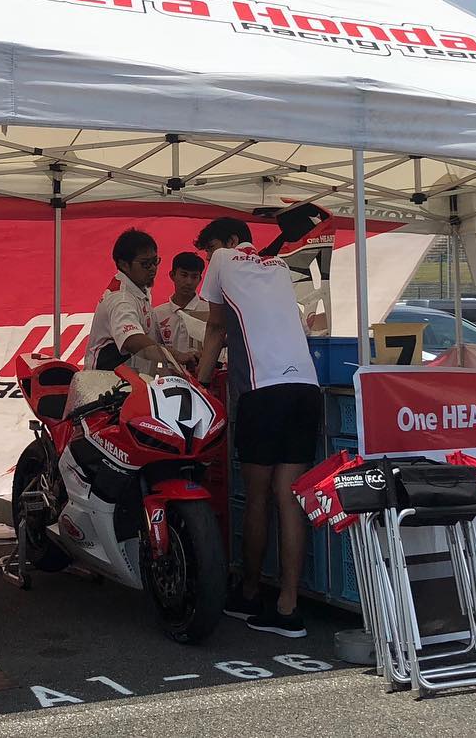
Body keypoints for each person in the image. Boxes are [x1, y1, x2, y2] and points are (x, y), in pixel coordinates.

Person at [194, 216, 320, 639]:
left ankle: (249, 593)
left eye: (210, 248)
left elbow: (215, 326)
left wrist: (199, 382)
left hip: (263, 391)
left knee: (258, 497)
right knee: (289, 497)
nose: (208, 258)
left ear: (230, 241)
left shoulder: (223, 260)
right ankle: (288, 606)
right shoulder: (280, 266)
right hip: (305, 388)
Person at [86, 228, 170, 371]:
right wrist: (174, 356)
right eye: (145, 264)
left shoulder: (139, 287)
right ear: (124, 264)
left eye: (155, 261)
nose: (153, 268)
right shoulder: (121, 299)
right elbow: (132, 340)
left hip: (125, 373)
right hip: (104, 378)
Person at [154, 252, 209, 356]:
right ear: (172, 275)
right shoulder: (157, 313)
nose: (189, 282)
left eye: (194, 277)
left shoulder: (210, 311)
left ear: (200, 279)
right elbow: (153, 349)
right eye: (184, 275)